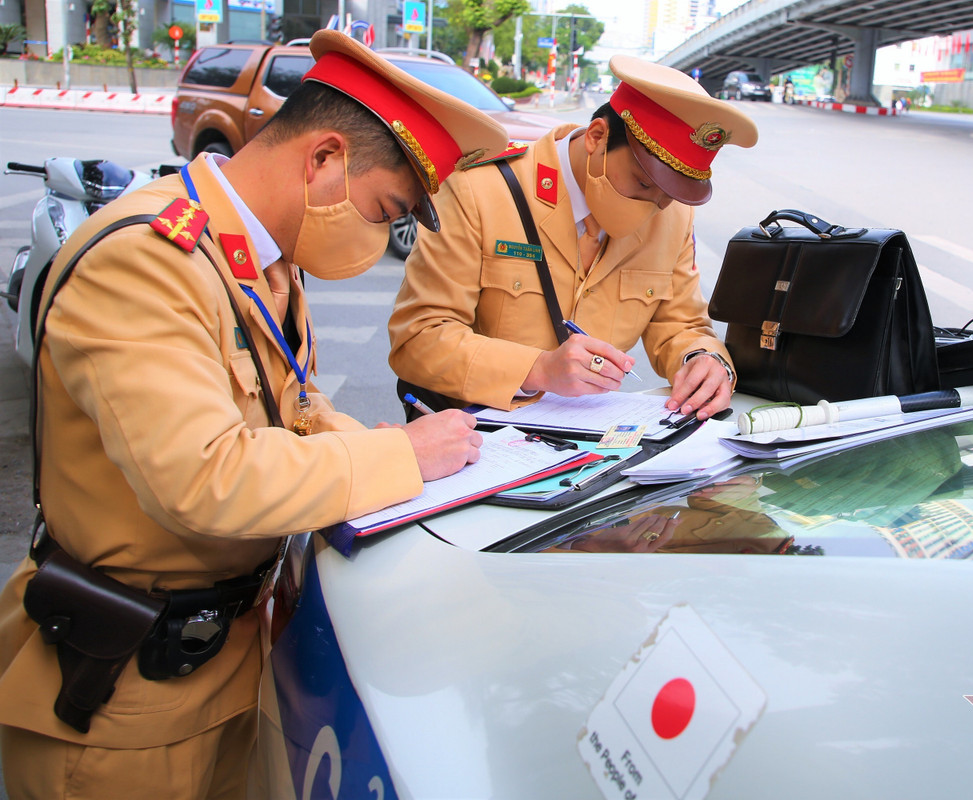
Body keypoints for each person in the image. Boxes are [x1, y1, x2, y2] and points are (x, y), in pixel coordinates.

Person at [0, 31, 508, 799]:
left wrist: (401, 445)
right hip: (122, 702)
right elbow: (205, 477)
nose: (379, 237)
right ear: (324, 160)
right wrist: (401, 459)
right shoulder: (147, 259)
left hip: (221, 668)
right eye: (383, 210)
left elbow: (294, 413)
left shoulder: (262, 261)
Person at [388, 55, 758, 422]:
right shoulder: (481, 189)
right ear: (597, 137)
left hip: (586, 445)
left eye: (671, 194)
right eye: (644, 183)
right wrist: (538, 368)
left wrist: (703, 359)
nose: (656, 207)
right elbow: (419, 337)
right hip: (471, 436)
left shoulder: (671, 216)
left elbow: (681, 323)